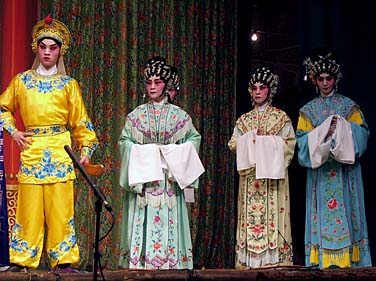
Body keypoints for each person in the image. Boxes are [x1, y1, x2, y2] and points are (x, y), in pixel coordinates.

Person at [0, 14, 99, 272]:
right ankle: (22, 261)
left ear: (60, 51)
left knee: (60, 210)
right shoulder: (22, 81)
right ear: (37, 48)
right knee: (28, 210)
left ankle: (64, 261)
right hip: (32, 149)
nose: (47, 52)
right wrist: (14, 132)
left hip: (60, 151)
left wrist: (86, 151)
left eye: (52, 48)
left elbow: (82, 124)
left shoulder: (69, 85)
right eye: (42, 47)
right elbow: (2, 108)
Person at [118, 56, 204, 269]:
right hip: (145, 184)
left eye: (157, 82)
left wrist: (174, 153)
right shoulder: (136, 116)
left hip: (169, 184)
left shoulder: (180, 116)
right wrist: (143, 152)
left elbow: (194, 140)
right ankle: (142, 264)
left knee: (169, 221)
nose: (153, 87)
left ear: (166, 85)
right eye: (149, 83)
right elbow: (124, 142)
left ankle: (172, 265)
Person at [297, 47, 372, 269]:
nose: (325, 83)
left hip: (345, 174)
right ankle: (320, 259)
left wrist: (343, 131)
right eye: (320, 79)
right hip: (320, 175)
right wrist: (321, 135)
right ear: (315, 80)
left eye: (329, 78)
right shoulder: (307, 111)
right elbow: (301, 143)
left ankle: (353, 258)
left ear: (335, 78)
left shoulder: (349, 107)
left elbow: (362, 135)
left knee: (350, 213)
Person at [228, 65, 296, 268]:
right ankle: (249, 263)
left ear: (270, 90)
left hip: (272, 183)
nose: (258, 91)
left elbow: (290, 144)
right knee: (250, 222)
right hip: (250, 181)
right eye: (254, 88)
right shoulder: (244, 120)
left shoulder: (281, 118)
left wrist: (266, 143)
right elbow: (233, 144)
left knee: (274, 221)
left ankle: (274, 263)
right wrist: (249, 139)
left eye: (262, 87)